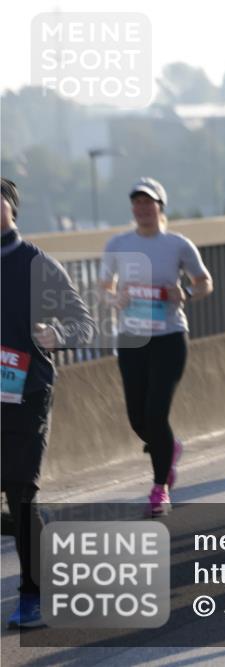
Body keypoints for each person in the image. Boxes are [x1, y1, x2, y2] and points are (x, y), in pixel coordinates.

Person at [2, 177, 96, 627]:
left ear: (11, 209)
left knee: (20, 494)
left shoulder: (36, 264)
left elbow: (83, 323)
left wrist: (57, 335)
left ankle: (32, 596)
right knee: (19, 505)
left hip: (27, 393)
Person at [101, 177, 213, 516]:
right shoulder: (118, 244)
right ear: (132, 208)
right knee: (137, 417)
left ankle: (160, 486)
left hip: (169, 337)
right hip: (132, 338)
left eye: (149, 203)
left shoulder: (178, 244)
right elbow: (104, 288)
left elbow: (204, 282)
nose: (143, 208)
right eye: (137, 202)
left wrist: (188, 293)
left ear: (160, 208)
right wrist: (114, 298)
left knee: (156, 411)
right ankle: (169, 448)